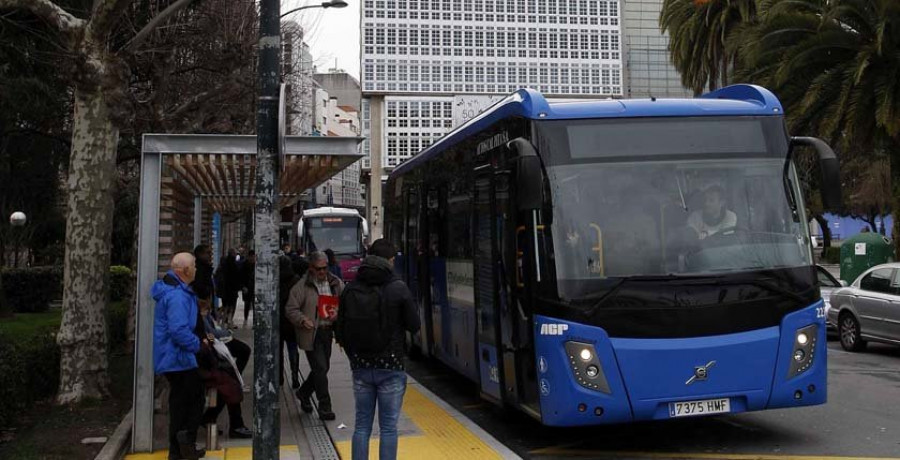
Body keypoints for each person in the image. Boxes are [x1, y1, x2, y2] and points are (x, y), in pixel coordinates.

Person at [336, 239, 420, 460]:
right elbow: (415, 325)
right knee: (389, 427)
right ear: (389, 261)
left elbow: (340, 328)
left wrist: (354, 356)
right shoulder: (398, 287)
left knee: (362, 425)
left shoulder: (351, 288)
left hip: (361, 366)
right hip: (391, 365)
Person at [152, 252, 205, 460]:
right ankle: (185, 440)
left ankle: (179, 449)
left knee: (179, 402)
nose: (196, 269)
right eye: (193, 265)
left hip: (173, 356)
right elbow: (179, 330)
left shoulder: (176, 291)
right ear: (184, 270)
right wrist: (197, 346)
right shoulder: (177, 296)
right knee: (194, 397)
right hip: (177, 357)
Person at [285, 251, 344, 420]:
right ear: (311, 268)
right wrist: (303, 320)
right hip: (311, 333)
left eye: (325, 268)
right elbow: (291, 309)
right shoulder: (301, 286)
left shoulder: (335, 283)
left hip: (327, 331)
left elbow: (344, 301)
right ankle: (325, 406)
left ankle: (304, 393)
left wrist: (338, 313)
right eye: (318, 269)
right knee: (320, 368)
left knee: (323, 368)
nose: (322, 272)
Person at [195, 300, 253, 439]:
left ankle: (212, 417)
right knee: (229, 382)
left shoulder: (192, 309)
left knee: (227, 381)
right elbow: (203, 335)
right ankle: (234, 424)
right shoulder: (192, 311)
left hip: (202, 358)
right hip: (198, 361)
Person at [278, 255, 303, 390]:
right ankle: (294, 377)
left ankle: (279, 377)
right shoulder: (296, 280)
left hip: (278, 322)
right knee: (293, 349)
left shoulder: (274, 280)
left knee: (278, 351)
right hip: (292, 322)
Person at [215, 249, 241, 328]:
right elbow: (235, 277)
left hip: (223, 289)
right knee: (230, 306)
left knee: (225, 306)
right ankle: (229, 322)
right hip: (231, 289)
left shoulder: (223, 264)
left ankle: (220, 322)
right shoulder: (233, 264)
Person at [241, 250, 256, 328]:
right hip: (246, 287)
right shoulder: (244, 265)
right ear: (249, 256)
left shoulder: (257, 265)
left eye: (254, 257)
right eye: (252, 257)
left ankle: (254, 322)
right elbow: (241, 276)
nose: (253, 259)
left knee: (255, 305)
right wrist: (243, 286)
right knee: (247, 304)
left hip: (255, 287)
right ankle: (245, 319)